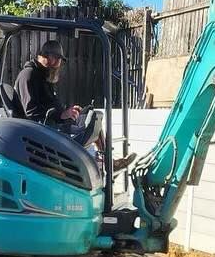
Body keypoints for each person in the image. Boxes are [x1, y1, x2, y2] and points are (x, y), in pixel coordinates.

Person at [14, 40, 135, 172]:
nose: (59, 66)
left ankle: (108, 163)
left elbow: (49, 105)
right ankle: (101, 164)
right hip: (38, 132)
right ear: (51, 58)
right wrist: (61, 115)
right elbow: (32, 113)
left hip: (50, 125)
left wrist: (68, 112)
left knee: (93, 119)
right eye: (59, 60)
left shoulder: (42, 76)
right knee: (90, 124)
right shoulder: (29, 75)